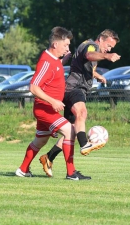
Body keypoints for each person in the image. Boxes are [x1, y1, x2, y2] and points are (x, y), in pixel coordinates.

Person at [39, 29, 121, 177]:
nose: (109, 49)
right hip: (74, 88)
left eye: (111, 49)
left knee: (71, 133)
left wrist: (97, 75)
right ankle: (85, 144)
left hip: (72, 89)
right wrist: (107, 56)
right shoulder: (91, 46)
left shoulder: (87, 45)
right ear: (101, 39)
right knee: (82, 112)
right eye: (108, 46)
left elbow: (81, 64)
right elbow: (89, 55)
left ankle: (50, 158)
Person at [15, 26, 91, 180]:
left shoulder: (55, 60)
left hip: (49, 109)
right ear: (55, 44)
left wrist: (64, 60)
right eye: (66, 45)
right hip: (45, 109)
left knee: (40, 141)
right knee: (70, 131)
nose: (68, 48)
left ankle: (23, 170)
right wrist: (53, 101)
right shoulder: (46, 62)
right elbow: (33, 86)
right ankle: (71, 173)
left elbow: (51, 78)